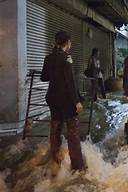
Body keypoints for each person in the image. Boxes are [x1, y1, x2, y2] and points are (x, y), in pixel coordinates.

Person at [41, 31, 85, 174]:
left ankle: (55, 161)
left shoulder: (48, 57)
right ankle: (78, 168)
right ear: (67, 43)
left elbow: (44, 77)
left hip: (52, 98)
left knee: (55, 129)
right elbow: (70, 81)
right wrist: (77, 102)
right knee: (72, 133)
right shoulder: (67, 57)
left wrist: (54, 73)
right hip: (66, 100)